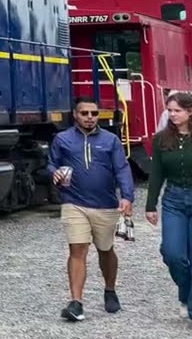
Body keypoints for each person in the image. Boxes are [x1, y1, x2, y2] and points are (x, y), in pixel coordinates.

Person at [49, 97, 135, 322]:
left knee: (106, 250)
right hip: (74, 203)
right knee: (77, 250)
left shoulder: (111, 140)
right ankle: (76, 303)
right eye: (84, 113)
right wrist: (53, 173)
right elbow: (51, 163)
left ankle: (110, 289)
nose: (89, 117)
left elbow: (122, 169)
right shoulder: (62, 139)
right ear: (75, 115)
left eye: (94, 113)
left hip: (105, 204)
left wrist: (127, 196)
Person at [144, 92, 192, 332]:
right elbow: (156, 173)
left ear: (190, 111)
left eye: (177, 110)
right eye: (170, 110)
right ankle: (187, 293)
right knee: (172, 253)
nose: (172, 114)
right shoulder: (161, 139)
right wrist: (150, 205)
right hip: (174, 200)